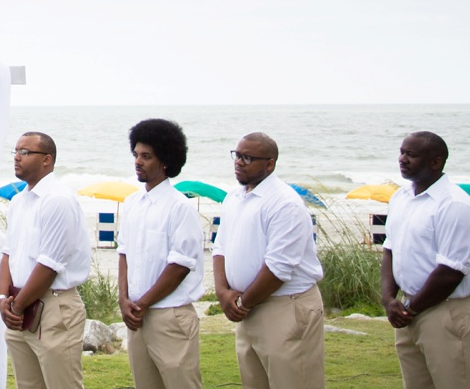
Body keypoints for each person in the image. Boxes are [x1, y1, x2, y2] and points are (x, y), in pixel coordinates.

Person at [213, 133, 325, 389]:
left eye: (248, 157)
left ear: (270, 164)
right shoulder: (234, 198)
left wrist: (241, 303)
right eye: (237, 155)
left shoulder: (285, 204)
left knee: (294, 382)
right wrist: (222, 292)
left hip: (285, 307)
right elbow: (220, 248)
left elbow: (279, 267)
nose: (239, 162)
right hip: (247, 309)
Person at [380, 132, 470, 389]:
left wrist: (411, 308)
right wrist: (389, 300)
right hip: (408, 311)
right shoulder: (401, 197)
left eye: (411, 155)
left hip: (445, 312)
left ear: (436, 162)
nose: (402, 159)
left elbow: (451, 271)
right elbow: (390, 250)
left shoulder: (455, 205)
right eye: (402, 152)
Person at [0, 131, 91, 389]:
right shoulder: (18, 202)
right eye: (15, 151)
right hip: (19, 308)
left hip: (53, 308)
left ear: (47, 160)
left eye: (25, 152)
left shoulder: (58, 200)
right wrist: (1, 299)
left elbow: (49, 266)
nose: (16, 157)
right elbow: (7, 254)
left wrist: (16, 307)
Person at [118, 119, 203, 389]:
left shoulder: (180, 207)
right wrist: (123, 299)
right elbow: (123, 254)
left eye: (146, 156)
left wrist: (142, 304)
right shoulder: (131, 203)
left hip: (170, 316)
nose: (138, 162)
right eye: (136, 155)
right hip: (136, 315)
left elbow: (180, 266)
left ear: (165, 161)